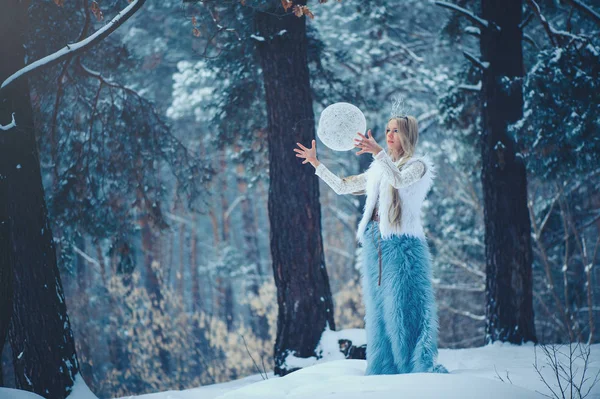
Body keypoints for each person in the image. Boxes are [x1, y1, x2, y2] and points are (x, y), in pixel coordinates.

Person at [294, 115, 447, 375]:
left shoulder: (418, 165)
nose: (389, 135)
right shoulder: (379, 168)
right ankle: (384, 368)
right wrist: (316, 163)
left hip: (403, 245)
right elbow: (343, 187)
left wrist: (378, 154)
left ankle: (416, 369)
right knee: (378, 310)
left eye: (395, 130)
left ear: (408, 134)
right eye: (387, 130)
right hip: (374, 243)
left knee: (403, 307)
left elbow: (398, 180)